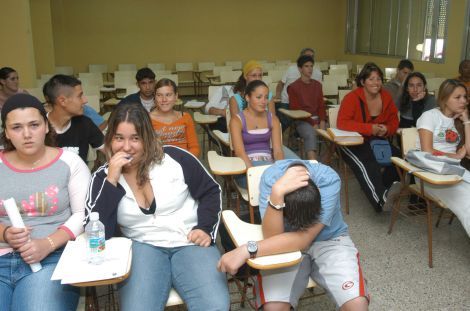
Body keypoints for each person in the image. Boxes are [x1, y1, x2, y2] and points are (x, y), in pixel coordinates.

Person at [85, 102, 229, 310]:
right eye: (119, 138)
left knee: (215, 306)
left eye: (135, 138)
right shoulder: (102, 178)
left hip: (189, 241)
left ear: (148, 137)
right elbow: (98, 232)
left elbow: (211, 191)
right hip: (141, 246)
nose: (126, 147)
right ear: (109, 140)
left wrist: (205, 227)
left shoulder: (176, 158)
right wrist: (112, 181)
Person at [218, 160, 369, 310]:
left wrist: (247, 249)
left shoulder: (328, 179)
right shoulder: (271, 179)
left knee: (357, 306)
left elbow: (304, 238)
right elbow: (273, 236)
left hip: (330, 240)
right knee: (274, 308)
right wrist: (276, 195)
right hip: (284, 244)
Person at [0, 94, 91, 310]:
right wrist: (4, 233)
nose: (27, 134)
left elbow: (82, 215)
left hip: (53, 258)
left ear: (46, 127)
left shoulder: (69, 162)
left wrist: (46, 244)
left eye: (34, 125)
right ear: (6, 132)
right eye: (17, 127)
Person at [337, 62, 401, 212]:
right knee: (368, 162)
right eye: (371, 79)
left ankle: (384, 189)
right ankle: (380, 201)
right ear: (362, 81)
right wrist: (369, 129)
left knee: (398, 159)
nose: (376, 82)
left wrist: (387, 129)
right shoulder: (352, 98)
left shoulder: (385, 96)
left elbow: (394, 121)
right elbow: (342, 123)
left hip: (376, 140)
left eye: (378, 79)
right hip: (351, 141)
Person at [416, 79, 470, 236]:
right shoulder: (430, 116)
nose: (463, 101)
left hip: (453, 171)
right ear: (445, 98)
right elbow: (427, 151)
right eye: (458, 97)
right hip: (430, 174)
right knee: (467, 202)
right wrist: (454, 155)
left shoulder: (457, 121)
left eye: (465, 97)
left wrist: (466, 121)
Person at [230, 80, 298, 187]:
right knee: (283, 181)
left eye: (266, 97)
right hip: (246, 168)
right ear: (247, 98)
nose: (264, 101)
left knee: (298, 170)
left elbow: (278, 151)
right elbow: (239, 152)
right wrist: (254, 173)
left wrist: (279, 170)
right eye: (259, 97)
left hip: (269, 165)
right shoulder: (237, 120)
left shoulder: (273, 119)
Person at [43, 74, 104, 163]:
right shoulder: (38, 127)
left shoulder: (85, 123)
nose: (85, 100)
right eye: (80, 96)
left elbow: (109, 150)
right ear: (62, 101)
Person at [287, 55, 326, 160]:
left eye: (311, 66)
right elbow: (296, 110)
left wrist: (322, 121)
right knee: (310, 134)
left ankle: (329, 157)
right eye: (306, 66)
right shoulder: (293, 87)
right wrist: (313, 123)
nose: (310, 69)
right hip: (303, 120)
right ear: (300, 69)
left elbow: (321, 106)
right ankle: (313, 165)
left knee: (334, 131)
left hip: (318, 119)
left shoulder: (318, 85)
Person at [150, 78, 200, 157]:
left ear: (176, 96)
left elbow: (194, 147)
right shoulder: (147, 119)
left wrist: (186, 162)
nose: (164, 99)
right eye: (159, 95)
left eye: (168, 95)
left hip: (184, 160)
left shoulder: (186, 117)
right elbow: (145, 149)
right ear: (155, 97)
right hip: (159, 162)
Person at [275, 48, 322, 130]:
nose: (310, 58)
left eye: (312, 56)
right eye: (307, 56)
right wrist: (278, 95)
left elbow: (317, 91)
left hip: (306, 103)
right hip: (287, 101)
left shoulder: (317, 73)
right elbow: (280, 83)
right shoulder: (291, 69)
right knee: (285, 121)